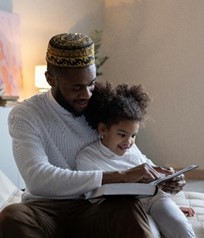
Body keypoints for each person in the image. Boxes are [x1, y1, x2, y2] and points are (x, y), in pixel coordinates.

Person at [0, 32, 186, 238]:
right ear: (50, 79)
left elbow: (129, 152)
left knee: (126, 207)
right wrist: (121, 177)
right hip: (45, 209)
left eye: (91, 83)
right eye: (76, 87)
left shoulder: (102, 103)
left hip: (95, 206)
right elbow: (38, 179)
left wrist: (161, 179)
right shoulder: (26, 114)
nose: (87, 94)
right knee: (12, 216)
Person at [76, 82, 196, 238]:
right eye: (122, 134)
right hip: (128, 209)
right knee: (149, 234)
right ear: (103, 129)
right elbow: (92, 196)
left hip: (154, 200)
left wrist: (168, 179)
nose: (128, 142)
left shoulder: (131, 149)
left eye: (133, 135)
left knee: (182, 229)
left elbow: (151, 171)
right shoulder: (87, 157)